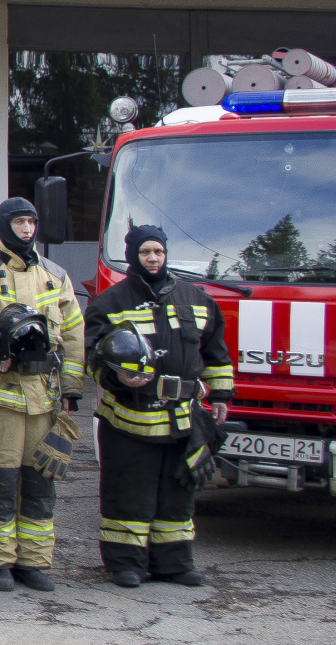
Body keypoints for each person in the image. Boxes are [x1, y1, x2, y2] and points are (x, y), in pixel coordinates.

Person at [83, 224, 234, 589]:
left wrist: (221, 395)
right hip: (129, 417)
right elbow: (93, 356)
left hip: (182, 417)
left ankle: (175, 563)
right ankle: (125, 565)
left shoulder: (195, 299)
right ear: (134, 254)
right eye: (146, 252)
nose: (153, 258)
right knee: (127, 492)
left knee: (177, 492)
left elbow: (215, 352)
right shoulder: (111, 302)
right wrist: (117, 380)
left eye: (159, 252)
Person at [0, 197, 86, 593]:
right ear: (3, 227)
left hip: (44, 398)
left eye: (31, 222)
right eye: (19, 223)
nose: (27, 229)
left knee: (41, 482)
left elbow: (75, 334)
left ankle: (34, 561)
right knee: (1, 483)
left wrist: (73, 388)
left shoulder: (55, 274)